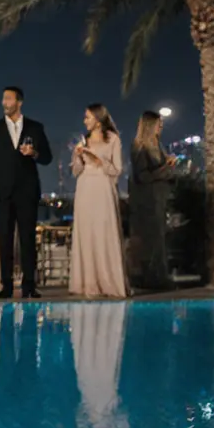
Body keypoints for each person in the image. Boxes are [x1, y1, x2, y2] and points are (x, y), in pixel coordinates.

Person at [0, 86, 52, 299]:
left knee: (28, 239)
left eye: (9, 99)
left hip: (27, 191)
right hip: (1, 192)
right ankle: (7, 285)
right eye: (3, 98)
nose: (4, 102)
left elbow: (47, 157)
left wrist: (34, 153)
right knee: (4, 239)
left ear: (19, 102)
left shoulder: (35, 128)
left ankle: (29, 285)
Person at [69, 104, 129, 298]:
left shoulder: (113, 139)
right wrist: (78, 157)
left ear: (98, 118)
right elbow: (76, 171)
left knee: (104, 231)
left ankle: (109, 281)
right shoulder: (83, 140)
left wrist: (99, 162)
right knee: (86, 233)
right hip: (85, 188)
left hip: (103, 188)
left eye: (88, 117)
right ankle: (89, 282)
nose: (85, 121)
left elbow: (117, 170)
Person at [129, 110, 178, 290]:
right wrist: (166, 168)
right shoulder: (140, 146)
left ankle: (158, 276)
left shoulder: (157, 145)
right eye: (159, 124)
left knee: (159, 239)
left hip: (158, 197)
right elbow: (143, 176)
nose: (161, 127)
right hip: (147, 200)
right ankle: (151, 278)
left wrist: (168, 166)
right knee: (151, 240)